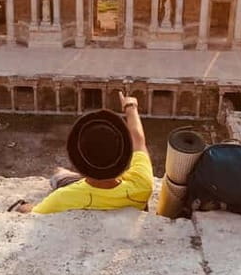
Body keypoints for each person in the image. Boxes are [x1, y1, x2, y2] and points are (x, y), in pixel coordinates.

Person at [11, 91, 153, 214]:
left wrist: (22, 206)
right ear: (123, 158)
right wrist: (131, 107)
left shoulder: (64, 197)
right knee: (60, 174)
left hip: (82, 190)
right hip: (111, 192)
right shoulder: (142, 185)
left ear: (79, 162)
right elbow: (139, 141)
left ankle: (63, 175)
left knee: (57, 173)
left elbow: (34, 212)